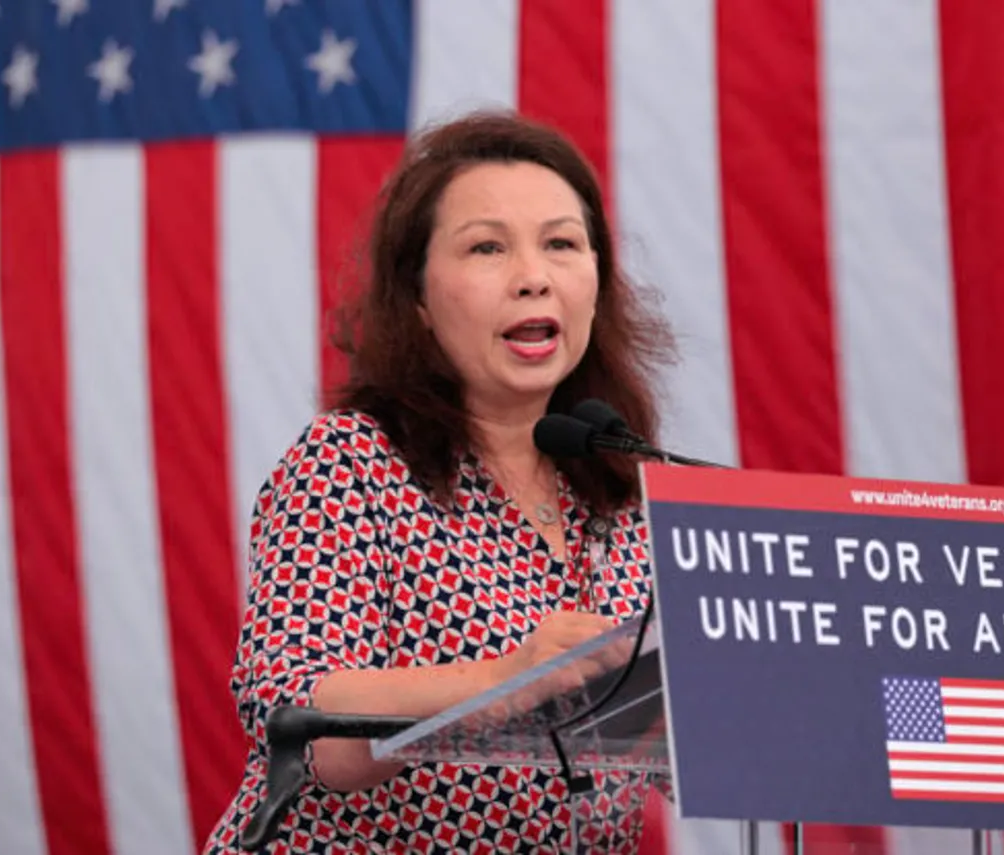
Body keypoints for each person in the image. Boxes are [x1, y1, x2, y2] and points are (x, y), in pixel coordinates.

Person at [203, 109, 676, 854]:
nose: (533, 277)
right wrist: (503, 679)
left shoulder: (630, 491)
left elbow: (702, 747)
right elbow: (304, 715)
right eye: (488, 247)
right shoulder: (350, 463)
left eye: (562, 243)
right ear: (418, 299)